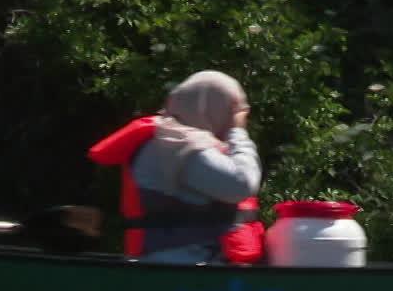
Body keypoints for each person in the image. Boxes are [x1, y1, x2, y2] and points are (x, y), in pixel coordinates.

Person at [87, 70, 265, 265]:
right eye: (232, 111)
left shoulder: (173, 138)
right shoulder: (175, 142)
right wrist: (237, 132)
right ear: (214, 108)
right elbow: (241, 184)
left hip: (187, 267)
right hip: (180, 271)